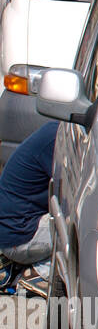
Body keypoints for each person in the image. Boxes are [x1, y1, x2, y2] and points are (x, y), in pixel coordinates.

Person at [0, 121, 57, 297]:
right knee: (81, 226)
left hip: (10, 234)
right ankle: (38, 275)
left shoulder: (52, 130)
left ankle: (13, 265)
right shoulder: (57, 141)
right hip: (19, 238)